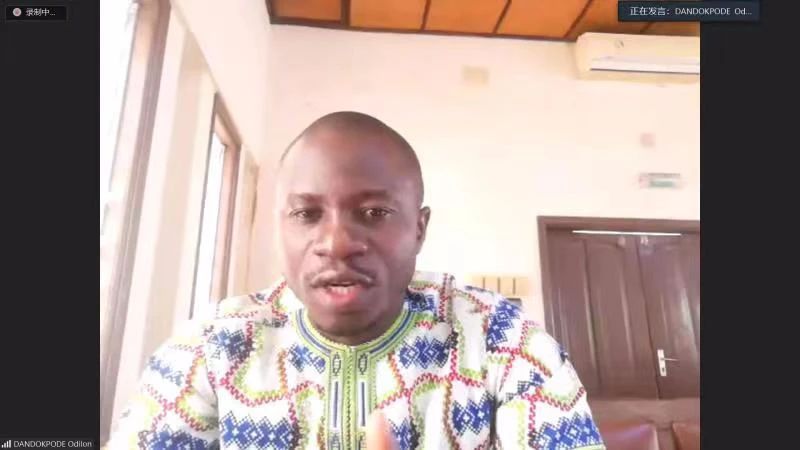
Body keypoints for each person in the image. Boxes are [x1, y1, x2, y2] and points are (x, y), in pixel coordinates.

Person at [106, 112, 605, 450]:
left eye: (374, 212)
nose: (337, 242)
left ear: (419, 228)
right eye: (306, 214)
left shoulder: (504, 342)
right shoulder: (214, 345)